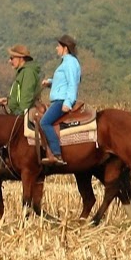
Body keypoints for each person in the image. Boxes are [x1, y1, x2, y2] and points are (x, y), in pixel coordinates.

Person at [38, 34, 81, 166]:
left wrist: (68, 102)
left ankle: (56, 154)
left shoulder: (70, 63)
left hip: (61, 101)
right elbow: (62, 82)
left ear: (65, 48)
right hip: (60, 99)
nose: (56, 48)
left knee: (44, 122)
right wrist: (50, 82)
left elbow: (72, 83)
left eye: (58, 46)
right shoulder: (66, 62)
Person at [0, 45, 41, 115]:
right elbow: (18, 98)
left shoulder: (28, 73)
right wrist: (8, 101)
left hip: (23, 116)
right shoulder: (22, 73)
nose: (9, 61)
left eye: (12, 58)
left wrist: (18, 115)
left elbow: (26, 98)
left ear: (21, 58)